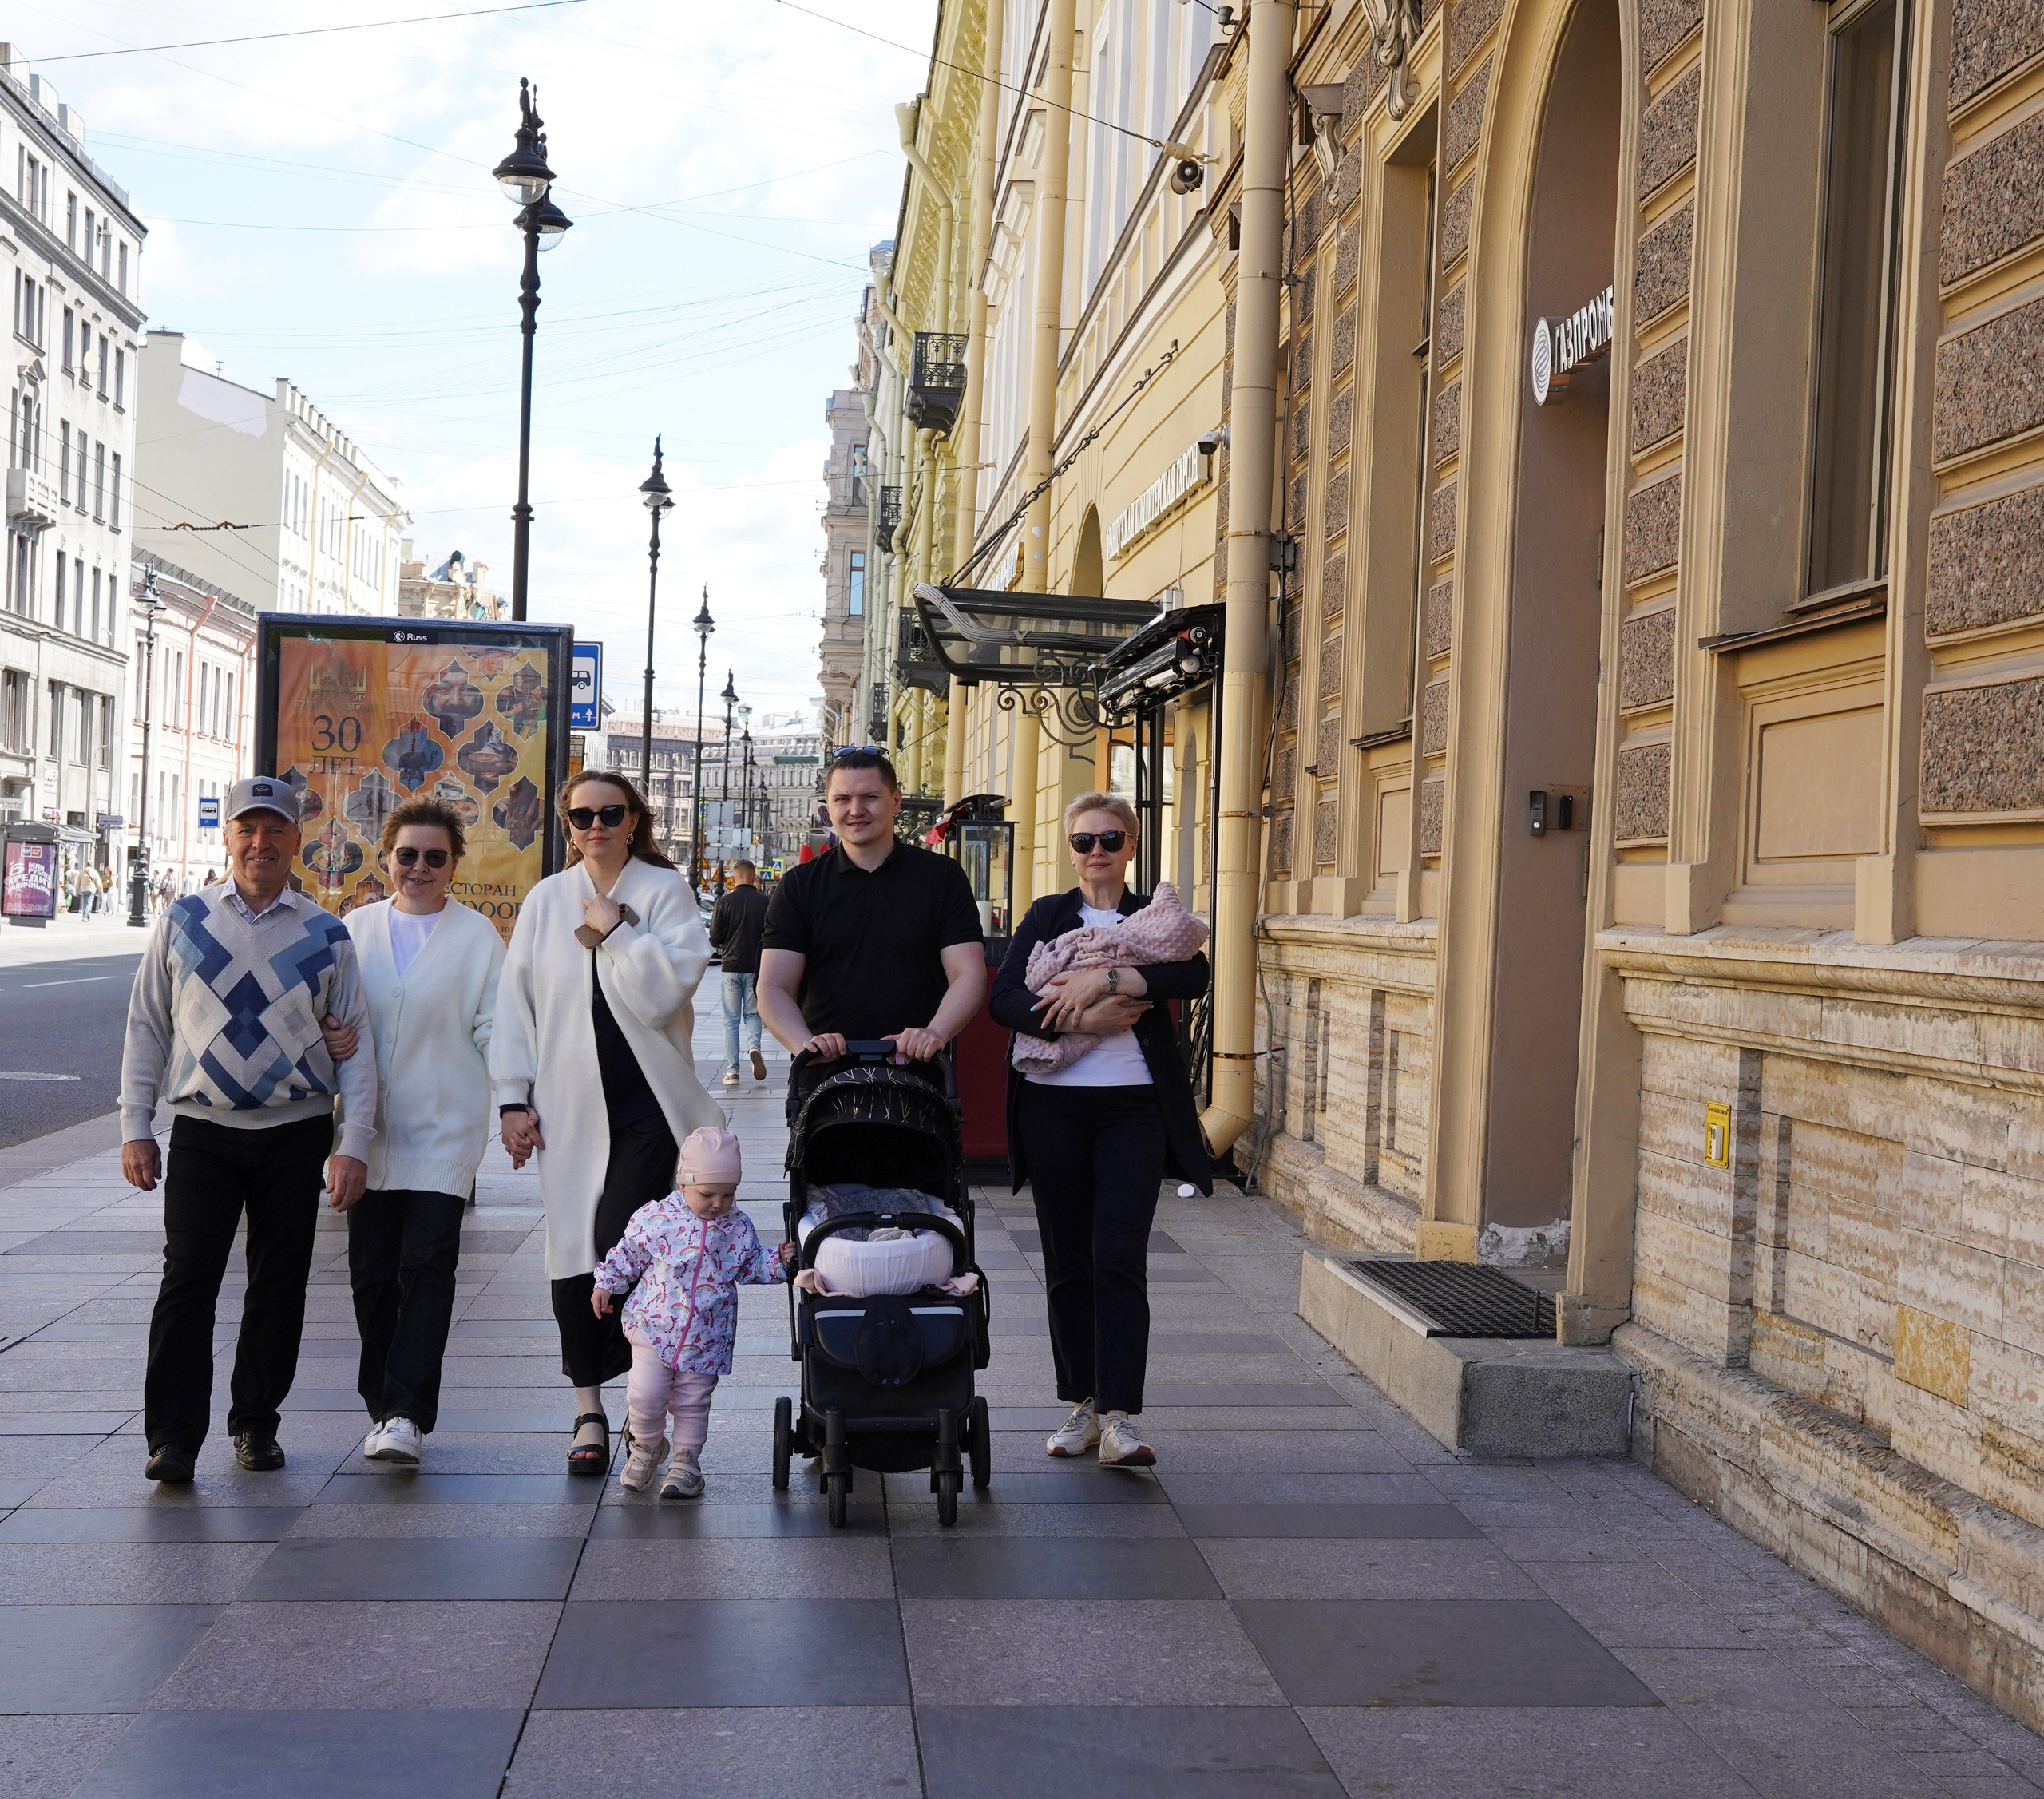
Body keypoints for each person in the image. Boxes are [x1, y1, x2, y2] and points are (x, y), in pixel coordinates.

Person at [117, 776, 375, 1484]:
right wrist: (136, 1124)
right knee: (187, 1281)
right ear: (228, 836)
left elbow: (357, 1046)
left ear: (297, 840)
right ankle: (172, 1438)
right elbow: (147, 1025)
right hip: (203, 1132)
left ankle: (256, 1423)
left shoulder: (327, 934)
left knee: (278, 1284)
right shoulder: (184, 920)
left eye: (275, 829)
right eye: (247, 829)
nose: (261, 842)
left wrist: (353, 1142)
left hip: (295, 1132)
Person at [490, 771, 723, 1476]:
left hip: (650, 1106)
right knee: (572, 1252)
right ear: (567, 825)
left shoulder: (664, 891)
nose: (596, 825)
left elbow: (661, 997)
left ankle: (642, 1392)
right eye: (581, 815)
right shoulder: (544, 900)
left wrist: (617, 929)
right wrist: (511, 1096)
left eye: (610, 813)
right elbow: (516, 1005)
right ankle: (589, 1406)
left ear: (633, 820)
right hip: (566, 1105)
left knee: (620, 1241)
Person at [989, 792, 1212, 1469]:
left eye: (1110, 839)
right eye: (1083, 841)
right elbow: (1005, 998)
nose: (1096, 852)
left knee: (1119, 1254)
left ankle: (1120, 1418)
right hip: (1052, 1108)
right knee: (1067, 1260)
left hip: (1134, 1110)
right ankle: (1081, 1406)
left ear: (1131, 844)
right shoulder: (1046, 916)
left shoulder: (1154, 917)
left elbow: (1194, 971)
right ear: (1070, 849)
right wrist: (1082, 1019)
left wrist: (1107, 977)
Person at [318, 796, 504, 1468]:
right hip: (365, 1137)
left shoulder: (478, 938)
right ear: (386, 858)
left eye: (434, 856)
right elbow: (328, 1013)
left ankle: (405, 1413)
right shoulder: (355, 929)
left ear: (454, 864)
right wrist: (327, 1036)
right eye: (407, 855)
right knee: (371, 1275)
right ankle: (383, 1404)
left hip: (445, 1134)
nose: (419, 867)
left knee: (427, 1269)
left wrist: (518, 1104)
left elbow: (495, 1029)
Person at [758, 747, 984, 1085]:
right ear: (828, 808)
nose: (855, 810)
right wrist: (804, 1044)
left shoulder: (942, 878)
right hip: (824, 1082)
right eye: (842, 799)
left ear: (896, 801)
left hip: (919, 1076)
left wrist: (935, 1032)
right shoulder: (799, 885)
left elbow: (968, 974)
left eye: (870, 797)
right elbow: (773, 986)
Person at [592, 1126, 792, 1497]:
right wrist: (607, 1282)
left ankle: (686, 1461)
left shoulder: (736, 1226)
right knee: (644, 1394)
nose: (718, 1203)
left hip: (707, 1334)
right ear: (684, 1183)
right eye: (708, 1193)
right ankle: (647, 1446)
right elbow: (628, 1253)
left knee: (693, 1401)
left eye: (728, 1193)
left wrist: (779, 1262)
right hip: (654, 1326)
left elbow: (749, 1264)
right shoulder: (657, 1218)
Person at [707, 858, 768, 1088]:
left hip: (731, 967)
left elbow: (715, 938)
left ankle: (732, 1071)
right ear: (754, 877)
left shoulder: (724, 902)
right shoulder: (766, 902)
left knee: (731, 1021)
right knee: (753, 1015)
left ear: (733, 878)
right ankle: (754, 1047)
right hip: (756, 968)